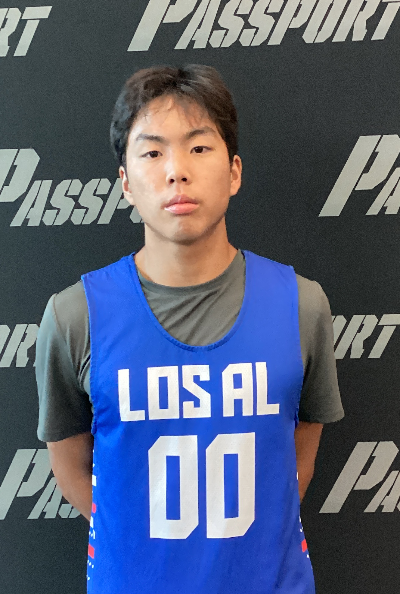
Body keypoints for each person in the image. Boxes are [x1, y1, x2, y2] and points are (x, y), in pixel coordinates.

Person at [35, 64, 344, 594]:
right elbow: (71, 472)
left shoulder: (301, 305)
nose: (177, 170)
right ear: (126, 183)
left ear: (234, 172)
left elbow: (298, 459)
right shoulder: (75, 316)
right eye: (153, 152)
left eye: (199, 148)